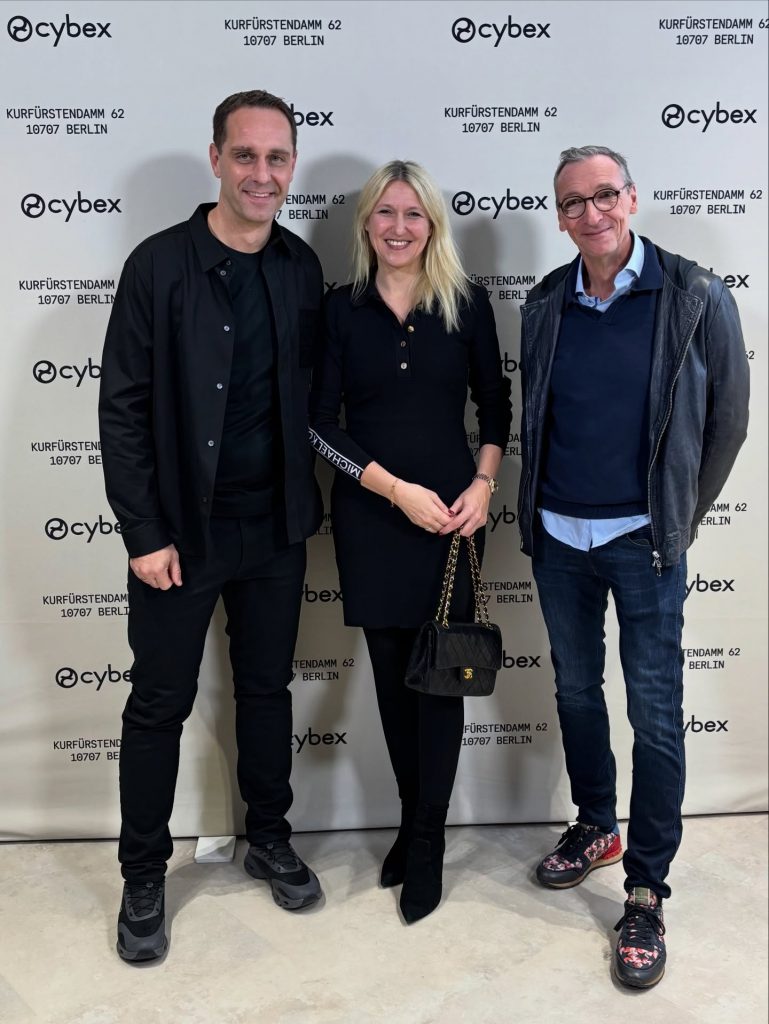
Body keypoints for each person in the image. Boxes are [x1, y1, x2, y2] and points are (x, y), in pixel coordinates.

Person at [99, 90, 326, 963]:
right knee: (158, 704)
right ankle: (142, 874)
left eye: (277, 158)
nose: (262, 174)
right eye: (246, 155)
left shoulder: (299, 267)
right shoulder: (158, 265)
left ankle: (269, 837)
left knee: (265, 692)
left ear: (291, 166)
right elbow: (122, 410)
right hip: (177, 537)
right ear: (216, 160)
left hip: (274, 530)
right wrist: (143, 532)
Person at [517, 145, 749, 988]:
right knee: (577, 692)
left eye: (603, 195)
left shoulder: (695, 295)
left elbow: (727, 422)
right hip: (558, 538)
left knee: (654, 715)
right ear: (559, 217)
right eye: (572, 203)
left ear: (631, 197)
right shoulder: (546, 300)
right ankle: (595, 825)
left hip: (642, 543)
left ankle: (645, 889)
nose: (591, 214)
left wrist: (675, 517)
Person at [309, 160, 512, 924]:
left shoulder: (465, 303)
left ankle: (427, 840)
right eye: (385, 212)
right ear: (367, 222)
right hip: (373, 519)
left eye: (413, 214)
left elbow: (495, 407)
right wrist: (393, 490)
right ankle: (409, 820)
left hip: (453, 523)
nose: (398, 227)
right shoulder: (340, 308)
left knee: (440, 680)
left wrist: (482, 486)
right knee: (395, 686)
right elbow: (318, 424)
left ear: (432, 225)